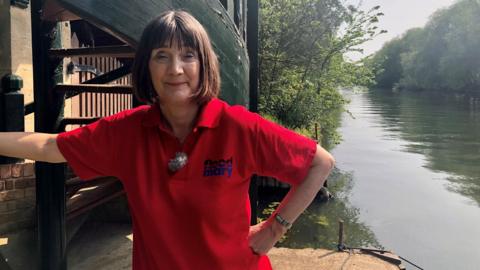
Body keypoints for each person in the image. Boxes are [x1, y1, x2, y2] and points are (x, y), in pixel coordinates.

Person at [0, 10, 335, 270]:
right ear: (147, 66)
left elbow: (320, 163)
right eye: (162, 56)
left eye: (188, 56)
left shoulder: (236, 126)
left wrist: (275, 228)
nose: (175, 69)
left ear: (205, 65)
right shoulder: (128, 131)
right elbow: (50, 147)